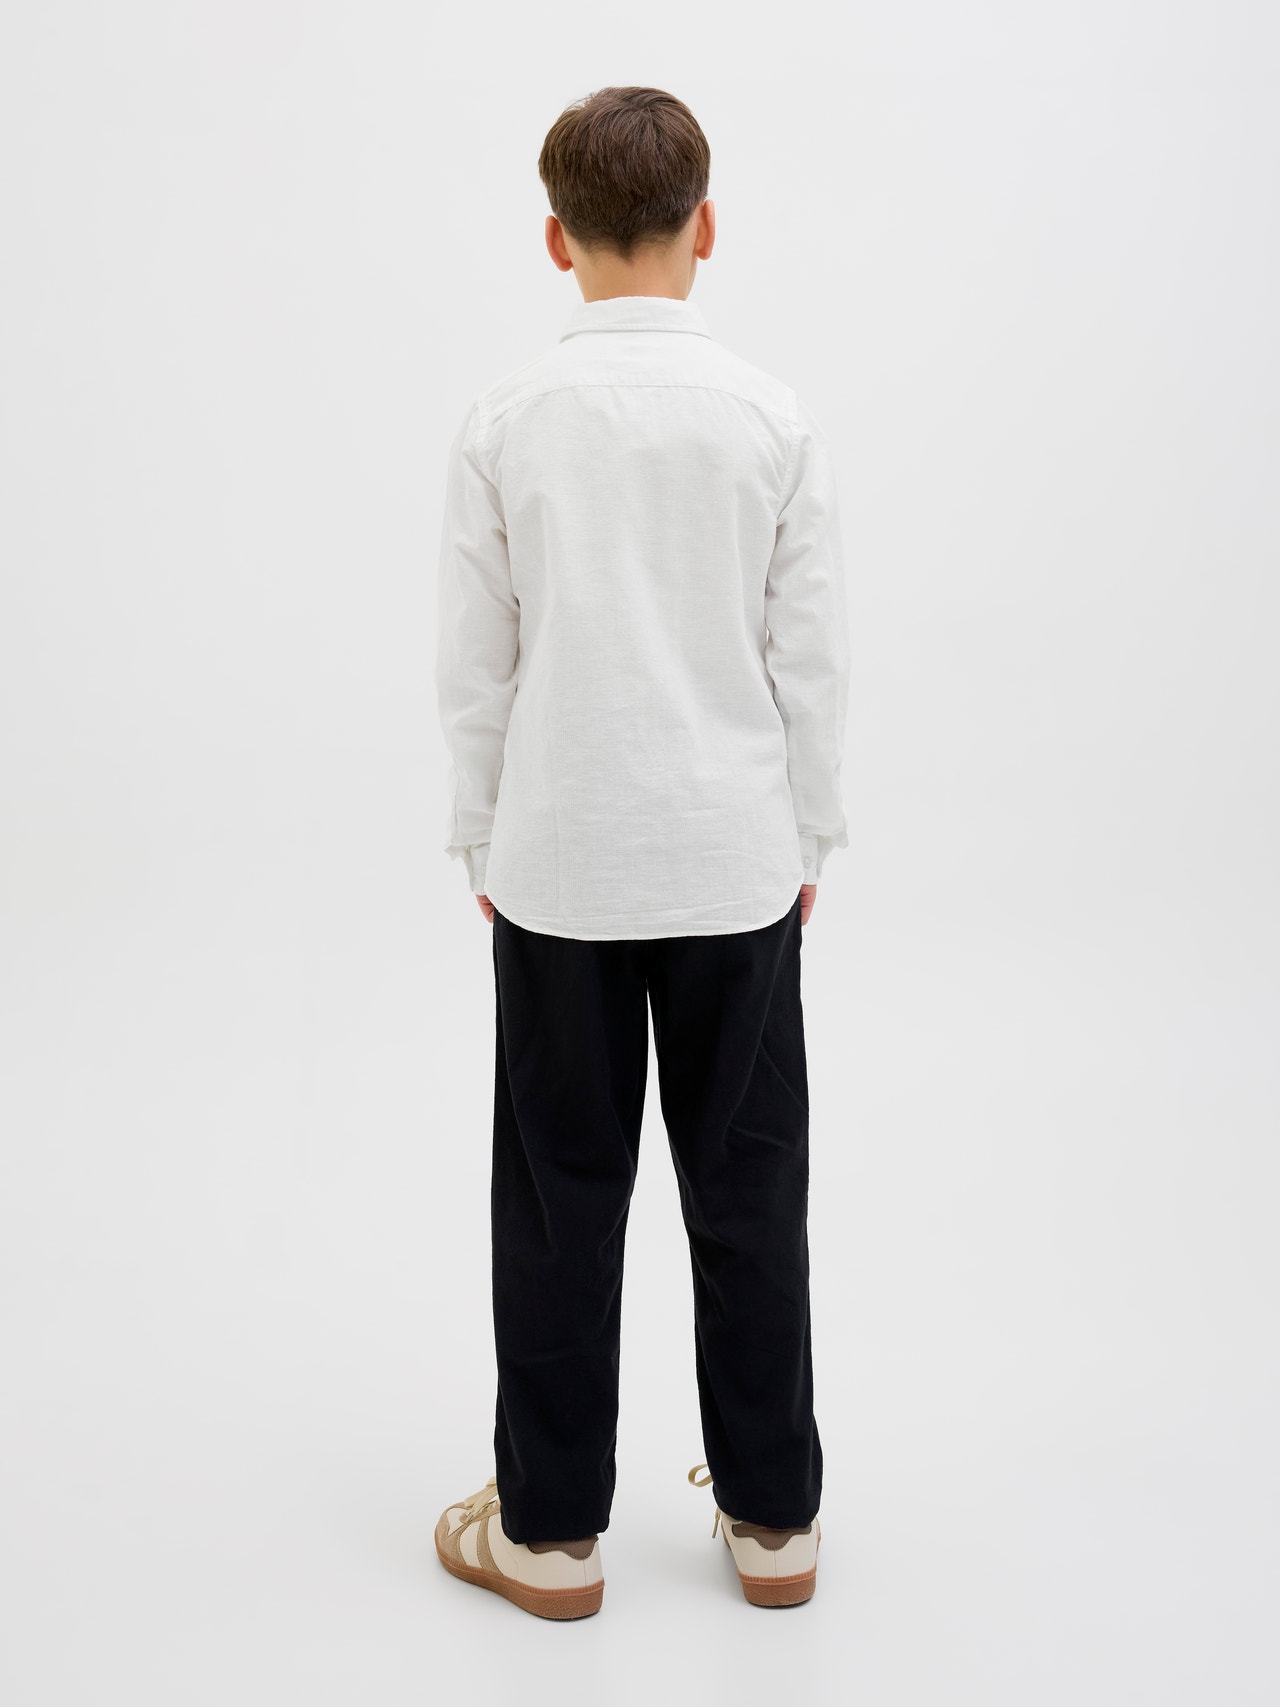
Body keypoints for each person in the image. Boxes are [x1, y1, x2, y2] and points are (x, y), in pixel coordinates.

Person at [433, 85, 850, 1619]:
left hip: (560, 864)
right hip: (733, 862)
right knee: (751, 1192)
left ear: (558, 240)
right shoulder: (769, 417)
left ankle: (549, 1538)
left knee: (560, 1198)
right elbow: (810, 659)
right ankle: (775, 1522)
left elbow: (477, 664)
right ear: (706, 226)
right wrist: (809, 833)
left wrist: (482, 833)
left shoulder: (507, 420)